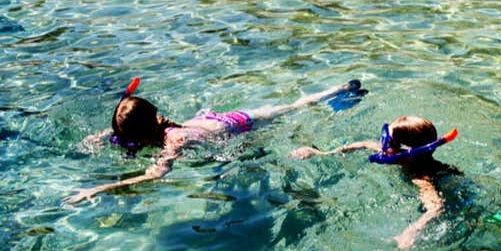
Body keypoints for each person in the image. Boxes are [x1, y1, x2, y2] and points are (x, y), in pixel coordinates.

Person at [65, 77, 366, 204]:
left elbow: (154, 174)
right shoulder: (165, 124)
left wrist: (101, 188)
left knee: (291, 129)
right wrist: (106, 134)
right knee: (292, 107)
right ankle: (336, 91)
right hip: (230, 118)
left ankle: (334, 107)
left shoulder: (175, 142)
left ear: (141, 137)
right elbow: (135, 123)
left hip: (243, 134)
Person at [288, 115, 460, 250]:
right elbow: (364, 144)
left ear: (407, 152)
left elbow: (436, 207)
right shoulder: (396, 154)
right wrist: (321, 153)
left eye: (387, 142)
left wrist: (410, 232)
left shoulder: (421, 177)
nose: (381, 146)